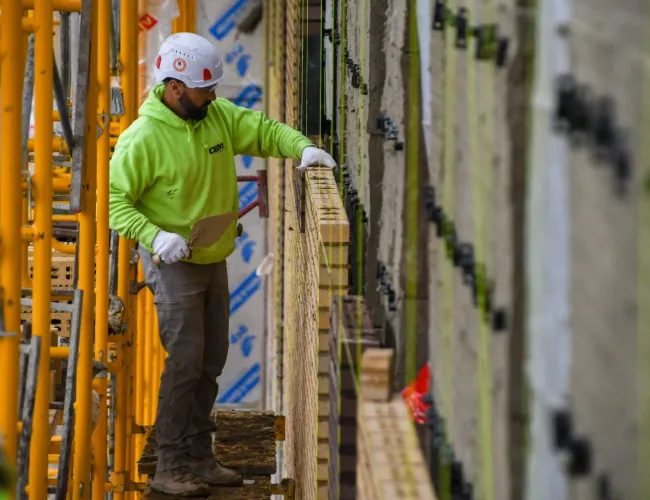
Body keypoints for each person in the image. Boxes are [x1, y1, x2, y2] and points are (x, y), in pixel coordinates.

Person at [108, 32, 336, 496]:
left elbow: (263, 130)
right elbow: (115, 204)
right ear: (174, 88)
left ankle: (199, 456)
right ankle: (169, 466)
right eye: (203, 89)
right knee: (185, 363)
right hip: (175, 266)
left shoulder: (216, 117)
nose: (212, 96)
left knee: (211, 361)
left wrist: (301, 148)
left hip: (213, 257)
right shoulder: (141, 140)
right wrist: (155, 235)